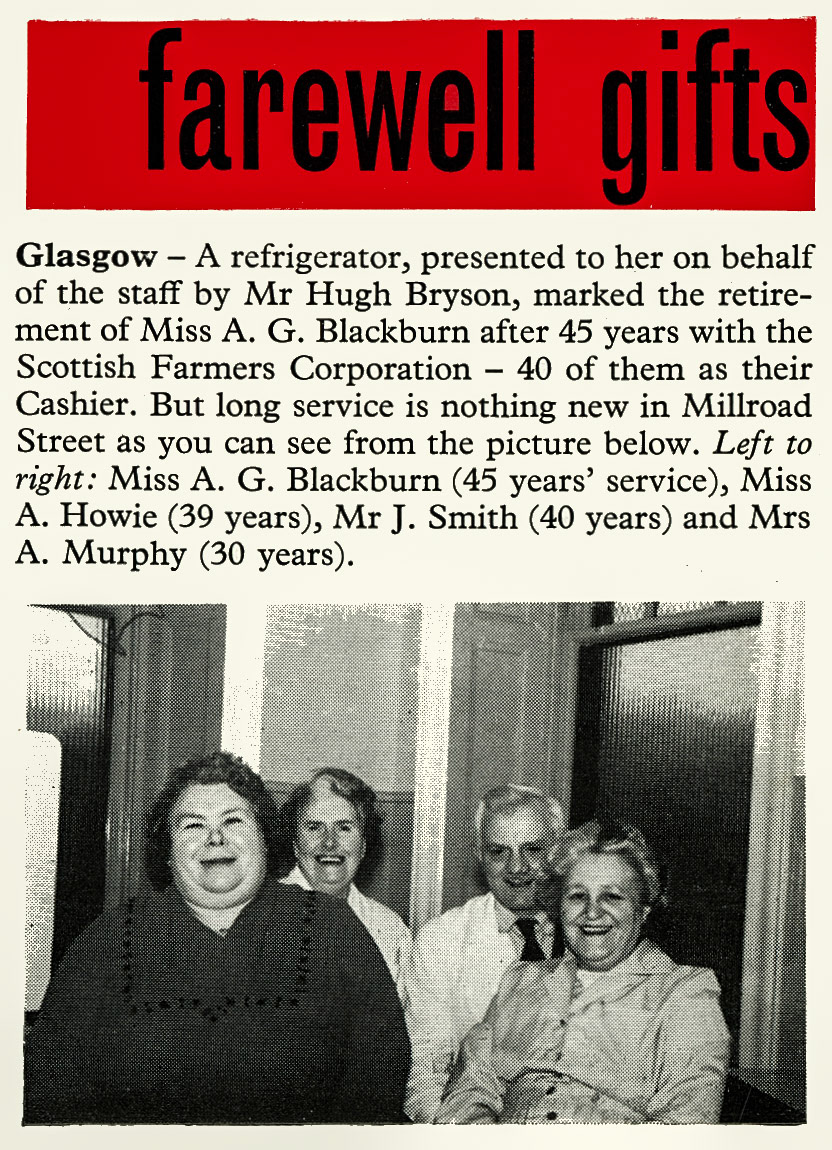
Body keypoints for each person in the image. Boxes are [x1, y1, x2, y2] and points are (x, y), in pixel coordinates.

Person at [24, 752, 410, 1124]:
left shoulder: (332, 926)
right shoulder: (112, 935)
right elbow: (52, 1076)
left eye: (234, 822)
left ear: (265, 840)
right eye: (192, 825)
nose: (215, 839)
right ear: (169, 853)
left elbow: (381, 1068)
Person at [435, 819, 731, 1124]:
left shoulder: (685, 995)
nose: (592, 912)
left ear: (643, 911)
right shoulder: (520, 981)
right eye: (577, 896)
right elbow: (468, 1093)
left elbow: (683, 1128)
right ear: (558, 908)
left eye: (612, 896)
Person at [403, 784, 564, 1121]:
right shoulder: (441, 941)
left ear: (558, 853)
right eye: (498, 851)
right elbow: (425, 1074)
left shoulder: (593, 932)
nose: (516, 867)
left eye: (533, 850)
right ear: (479, 855)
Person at [278, 768, 411, 992]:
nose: (329, 842)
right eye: (314, 827)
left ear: (363, 846)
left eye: (344, 827)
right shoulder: (259, 916)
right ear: (295, 845)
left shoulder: (390, 929)